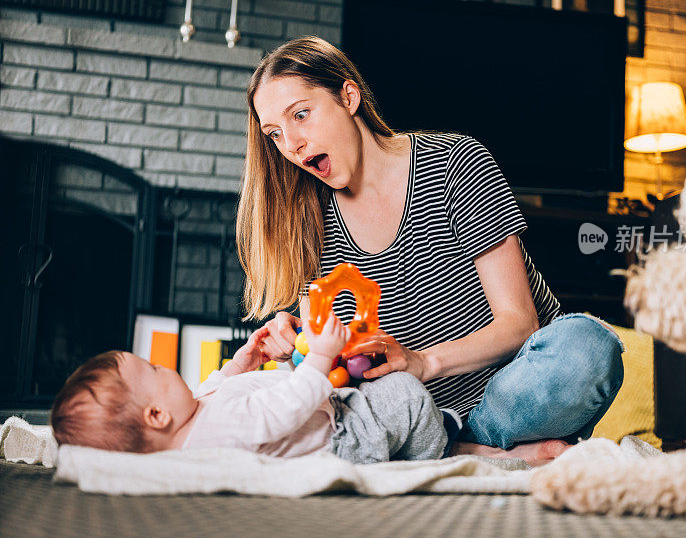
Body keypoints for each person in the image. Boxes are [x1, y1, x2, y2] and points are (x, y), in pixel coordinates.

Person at [237, 36, 625, 464]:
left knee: (589, 347)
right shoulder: (311, 226)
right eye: (275, 134)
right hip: (415, 417)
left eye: (301, 115)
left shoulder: (456, 163)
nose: (291, 143)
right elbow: (348, 372)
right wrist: (301, 345)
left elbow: (520, 324)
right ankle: (465, 450)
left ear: (348, 97)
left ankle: (462, 448)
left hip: (516, 397)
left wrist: (423, 362)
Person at [49, 314, 455, 464]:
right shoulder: (214, 435)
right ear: (157, 416)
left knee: (381, 393)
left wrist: (238, 365)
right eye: (155, 368)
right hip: (344, 437)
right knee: (403, 393)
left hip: (332, 407)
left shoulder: (187, 422)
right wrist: (318, 358)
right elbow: (277, 412)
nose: (165, 367)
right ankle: (439, 453)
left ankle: (440, 431)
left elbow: (210, 391)